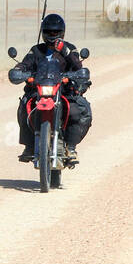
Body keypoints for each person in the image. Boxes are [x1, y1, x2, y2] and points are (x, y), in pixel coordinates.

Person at [11, 13, 92, 161]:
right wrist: (19, 70)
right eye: (49, 31)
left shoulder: (69, 48)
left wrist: (65, 52)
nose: (52, 34)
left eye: (56, 32)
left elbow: (78, 66)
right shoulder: (36, 50)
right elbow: (26, 63)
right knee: (24, 107)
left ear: (62, 32)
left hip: (63, 91)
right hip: (38, 91)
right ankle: (29, 146)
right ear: (43, 32)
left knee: (80, 111)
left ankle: (71, 147)